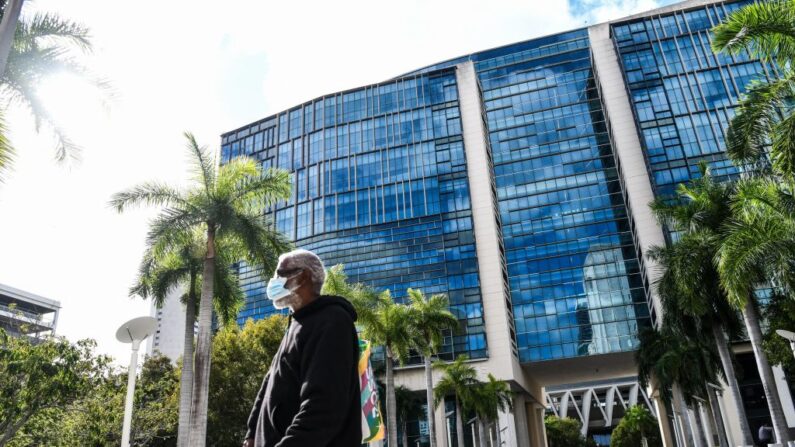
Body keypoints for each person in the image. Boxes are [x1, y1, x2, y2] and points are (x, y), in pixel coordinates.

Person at [243, 249, 361, 447]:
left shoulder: (332, 322)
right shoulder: (297, 323)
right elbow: (270, 383)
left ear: (304, 277)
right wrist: (251, 434)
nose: (274, 281)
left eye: (280, 273)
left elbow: (323, 408)